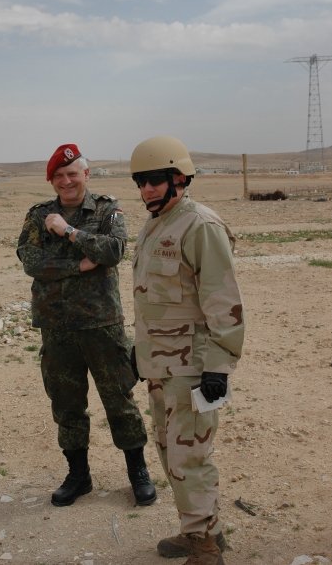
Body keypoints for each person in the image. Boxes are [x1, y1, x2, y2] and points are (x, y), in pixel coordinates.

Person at [17, 142, 156, 508]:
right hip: (57, 327)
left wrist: (69, 232)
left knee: (119, 400)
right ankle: (78, 476)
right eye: (59, 176)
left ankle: (138, 471)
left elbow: (113, 251)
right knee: (67, 405)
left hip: (102, 325)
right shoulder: (38, 215)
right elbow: (30, 260)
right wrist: (78, 265)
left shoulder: (108, 210)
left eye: (72, 174)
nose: (66, 181)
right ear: (52, 181)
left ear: (86, 174)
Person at [130, 136, 244, 565]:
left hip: (192, 368)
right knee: (170, 452)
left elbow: (224, 301)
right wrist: (139, 351)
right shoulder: (156, 223)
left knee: (190, 458)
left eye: (155, 180)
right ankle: (202, 529)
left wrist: (219, 365)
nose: (147, 190)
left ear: (179, 178)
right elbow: (154, 298)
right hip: (160, 365)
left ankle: (205, 550)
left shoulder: (201, 226)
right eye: (141, 182)